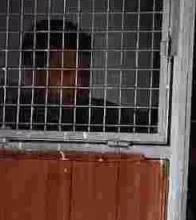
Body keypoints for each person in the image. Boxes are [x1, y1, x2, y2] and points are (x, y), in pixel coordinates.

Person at [3, 17, 151, 133]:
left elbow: (148, 123)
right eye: (66, 72)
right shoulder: (9, 111)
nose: (79, 83)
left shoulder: (99, 115)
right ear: (31, 74)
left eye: (84, 74)